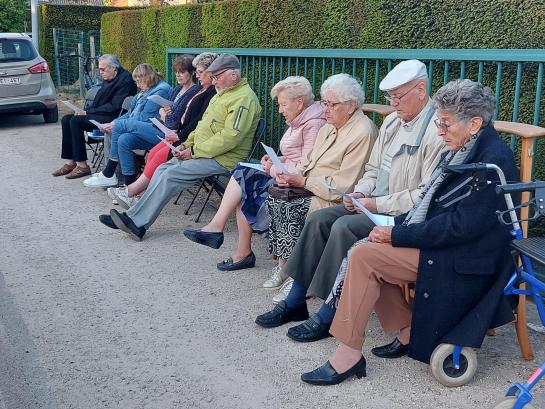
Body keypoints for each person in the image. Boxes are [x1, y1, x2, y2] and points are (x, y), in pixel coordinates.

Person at [299, 79, 519, 385]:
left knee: (366, 257)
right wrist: (393, 227)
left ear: (475, 124)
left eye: (445, 124)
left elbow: (461, 226)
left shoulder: (492, 161)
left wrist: (398, 234)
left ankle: (348, 355)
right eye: (439, 122)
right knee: (369, 248)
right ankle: (407, 332)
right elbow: (430, 208)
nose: (440, 131)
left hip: (468, 259)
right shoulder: (466, 149)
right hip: (449, 247)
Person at [254, 60, 445, 340]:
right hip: (374, 204)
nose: (392, 104)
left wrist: (374, 203)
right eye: (389, 97)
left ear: (421, 89)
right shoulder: (392, 122)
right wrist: (361, 193)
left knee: (343, 226)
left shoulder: (435, 131)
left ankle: (328, 314)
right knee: (320, 220)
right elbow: (372, 171)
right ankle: (295, 300)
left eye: (398, 96)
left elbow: (424, 195)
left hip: (402, 215)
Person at [98, 54, 262, 241]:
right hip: (206, 154)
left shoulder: (244, 99)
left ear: (233, 75)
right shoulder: (224, 93)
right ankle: (134, 217)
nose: (214, 80)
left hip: (224, 159)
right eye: (213, 77)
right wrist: (186, 143)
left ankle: (136, 223)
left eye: (217, 76)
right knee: (162, 169)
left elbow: (230, 137)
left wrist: (194, 151)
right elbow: (202, 127)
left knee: (170, 174)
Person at [249, 73, 377, 306]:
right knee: (275, 197)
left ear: (351, 106)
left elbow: (344, 185)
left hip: (333, 198)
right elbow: (307, 161)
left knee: (288, 206)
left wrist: (302, 181)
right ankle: (287, 268)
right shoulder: (330, 126)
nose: (324, 109)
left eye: (331, 104)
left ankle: (299, 276)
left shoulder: (363, 132)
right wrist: (289, 173)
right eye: (324, 103)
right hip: (311, 188)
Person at [182, 76, 325, 272]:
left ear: (299, 102)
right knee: (243, 179)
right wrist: (275, 159)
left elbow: (306, 166)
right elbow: (296, 156)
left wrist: (272, 168)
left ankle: (232, 243)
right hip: (284, 176)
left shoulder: (313, 124)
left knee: (243, 180)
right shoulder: (300, 119)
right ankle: (232, 242)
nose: (280, 110)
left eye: (283, 104)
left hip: (296, 185)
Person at [107, 52, 218, 209]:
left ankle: (114, 175)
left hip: (177, 135)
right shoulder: (183, 90)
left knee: (122, 127)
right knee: (126, 140)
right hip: (174, 133)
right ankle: (129, 187)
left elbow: (181, 121)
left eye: (182, 72)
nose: (178, 75)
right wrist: (165, 116)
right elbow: (180, 117)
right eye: (176, 72)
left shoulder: (197, 92)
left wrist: (164, 117)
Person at [82, 63, 172, 188]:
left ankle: (109, 173)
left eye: (139, 81)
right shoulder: (143, 92)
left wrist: (118, 124)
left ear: (147, 78)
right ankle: (128, 185)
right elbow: (129, 114)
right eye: (136, 82)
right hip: (143, 130)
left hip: (157, 131)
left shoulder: (161, 89)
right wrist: (112, 123)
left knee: (119, 127)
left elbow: (144, 118)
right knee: (124, 139)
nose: (137, 85)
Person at [52, 54, 137, 179]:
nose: (100, 72)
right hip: (102, 113)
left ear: (114, 68)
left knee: (76, 121)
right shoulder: (110, 77)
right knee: (66, 119)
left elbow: (114, 106)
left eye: (103, 69)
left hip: (114, 117)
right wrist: (87, 111)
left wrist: (88, 112)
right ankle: (70, 162)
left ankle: (82, 166)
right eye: (99, 69)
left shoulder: (126, 80)